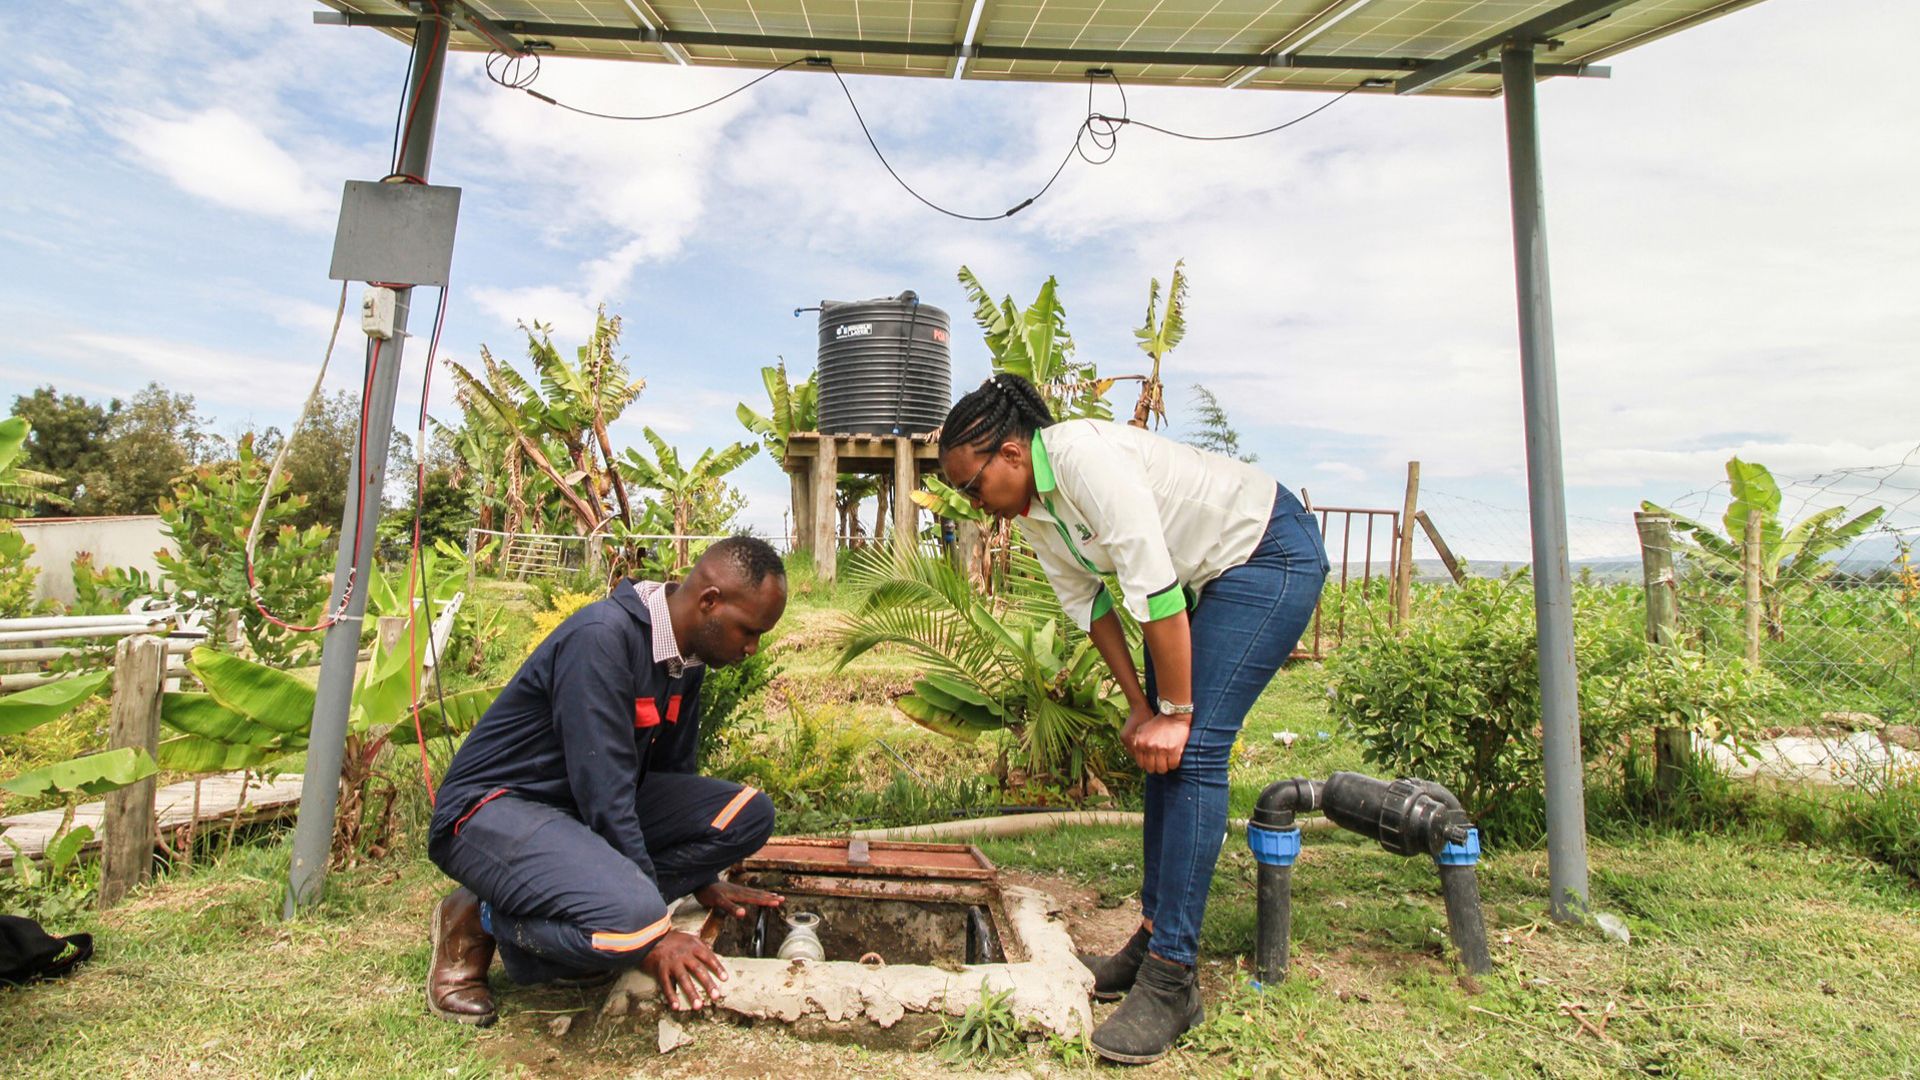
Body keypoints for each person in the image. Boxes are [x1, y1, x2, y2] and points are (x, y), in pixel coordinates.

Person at [937, 374, 1328, 1064]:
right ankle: (1153, 938)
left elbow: (1153, 589)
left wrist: (1177, 713)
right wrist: (1143, 710)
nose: (972, 504)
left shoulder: (1086, 459)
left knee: (1196, 747)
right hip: (1196, 580)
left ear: (1009, 454)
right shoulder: (1033, 510)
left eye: (971, 487)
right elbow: (1092, 606)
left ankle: (1174, 979)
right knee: (1161, 751)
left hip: (1267, 553)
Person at [424, 536, 790, 1027]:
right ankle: (480, 917)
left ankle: (604, 913)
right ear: (709, 602)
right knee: (635, 920)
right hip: (492, 811)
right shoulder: (602, 638)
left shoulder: (686, 659)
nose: (751, 648)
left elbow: (671, 775)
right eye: (749, 630)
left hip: (574, 810)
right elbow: (606, 794)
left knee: (747, 816)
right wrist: (657, 933)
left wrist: (702, 881)